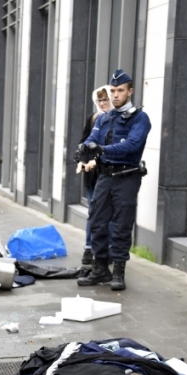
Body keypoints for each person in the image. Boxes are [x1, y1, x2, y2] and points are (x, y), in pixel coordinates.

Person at [76, 69, 151, 291]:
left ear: (130, 91)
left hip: (127, 176)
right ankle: (100, 269)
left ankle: (118, 271)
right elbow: (91, 138)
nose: (115, 95)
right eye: (113, 91)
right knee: (97, 222)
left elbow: (132, 145)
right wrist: (83, 149)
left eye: (120, 90)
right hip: (104, 176)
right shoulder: (104, 117)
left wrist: (101, 148)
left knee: (121, 225)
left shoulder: (140, 118)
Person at [76, 86, 112, 267]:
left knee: (111, 215)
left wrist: (96, 160)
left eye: (106, 99)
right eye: (100, 100)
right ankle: (89, 249)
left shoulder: (118, 121)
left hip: (111, 174)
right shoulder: (93, 119)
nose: (103, 103)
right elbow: (83, 142)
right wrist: (82, 160)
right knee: (93, 213)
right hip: (93, 176)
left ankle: (109, 250)